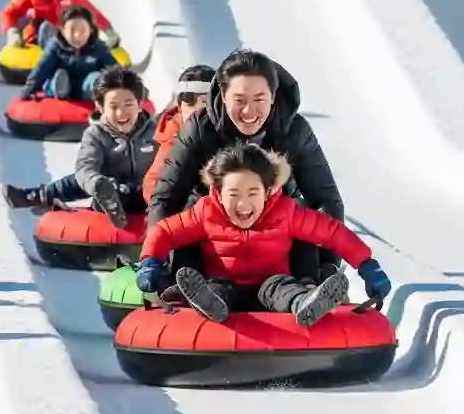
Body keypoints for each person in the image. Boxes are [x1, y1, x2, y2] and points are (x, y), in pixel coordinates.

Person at [136, 144, 391, 326]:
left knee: (283, 288)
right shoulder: (206, 211)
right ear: (218, 192)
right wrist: (150, 262)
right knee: (215, 289)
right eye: (233, 195)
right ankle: (208, 306)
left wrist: (368, 265)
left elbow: (332, 233)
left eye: (252, 193)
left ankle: (305, 303)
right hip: (223, 284)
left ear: (268, 191)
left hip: (270, 283)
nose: (243, 204)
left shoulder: (286, 212)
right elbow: (165, 232)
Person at [148, 48, 344, 282]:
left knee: (301, 211)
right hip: (212, 234)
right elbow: (166, 197)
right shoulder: (200, 129)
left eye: (259, 99)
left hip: (276, 235)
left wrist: (329, 263)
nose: (249, 111)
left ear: (273, 96)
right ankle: (187, 284)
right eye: (239, 100)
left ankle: (307, 287)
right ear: (223, 94)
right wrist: (155, 259)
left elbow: (325, 199)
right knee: (189, 208)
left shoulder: (294, 131)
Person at [3, 65, 156, 228]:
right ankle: (44, 196)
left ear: (140, 104)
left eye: (128, 105)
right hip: (113, 190)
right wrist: (99, 183)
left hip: (149, 193)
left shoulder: (156, 131)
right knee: (85, 178)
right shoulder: (96, 134)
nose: (121, 113)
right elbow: (85, 167)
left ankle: (40, 195)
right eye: (114, 106)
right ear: (100, 107)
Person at [142, 64, 215, 204]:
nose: (196, 112)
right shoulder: (174, 135)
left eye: (205, 105)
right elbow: (153, 186)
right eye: (190, 105)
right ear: (179, 106)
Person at [20, 5, 118, 102]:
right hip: (62, 81)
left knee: (96, 77)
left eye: (82, 31)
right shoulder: (55, 46)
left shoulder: (97, 46)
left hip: (84, 85)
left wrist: (126, 88)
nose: (77, 36)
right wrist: (27, 91)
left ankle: (93, 92)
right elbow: (41, 70)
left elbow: (114, 68)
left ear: (91, 31)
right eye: (72, 30)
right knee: (58, 76)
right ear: (63, 30)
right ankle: (59, 89)